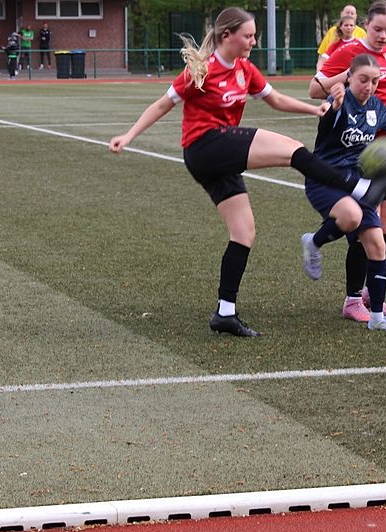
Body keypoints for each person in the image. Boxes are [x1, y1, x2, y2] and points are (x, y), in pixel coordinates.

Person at [109, 7, 359, 337]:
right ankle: (354, 186)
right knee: (293, 150)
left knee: (244, 233)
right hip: (204, 146)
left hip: (219, 157)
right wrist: (128, 136)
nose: (254, 41)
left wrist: (315, 108)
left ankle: (224, 313)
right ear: (227, 36)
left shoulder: (245, 69)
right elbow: (162, 105)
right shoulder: (202, 70)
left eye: (255, 35)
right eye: (248, 36)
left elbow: (275, 99)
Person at [310, 1, 386, 323]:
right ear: (366, 24)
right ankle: (352, 299)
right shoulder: (348, 51)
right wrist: (349, 74)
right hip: (358, 152)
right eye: (378, 29)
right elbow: (314, 89)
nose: (383, 36)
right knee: (366, 226)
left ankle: (372, 292)